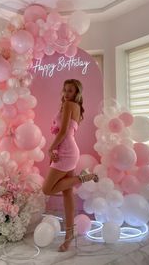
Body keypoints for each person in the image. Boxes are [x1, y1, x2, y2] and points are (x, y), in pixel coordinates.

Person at [42, 79, 98, 252]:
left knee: (47, 189)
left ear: (76, 93)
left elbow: (64, 131)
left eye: (71, 91)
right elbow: (66, 132)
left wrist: (51, 148)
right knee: (67, 195)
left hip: (66, 152)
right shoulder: (75, 107)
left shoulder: (69, 106)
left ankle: (83, 177)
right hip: (68, 151)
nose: (66, 93)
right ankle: (69, 235)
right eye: (65, 90)